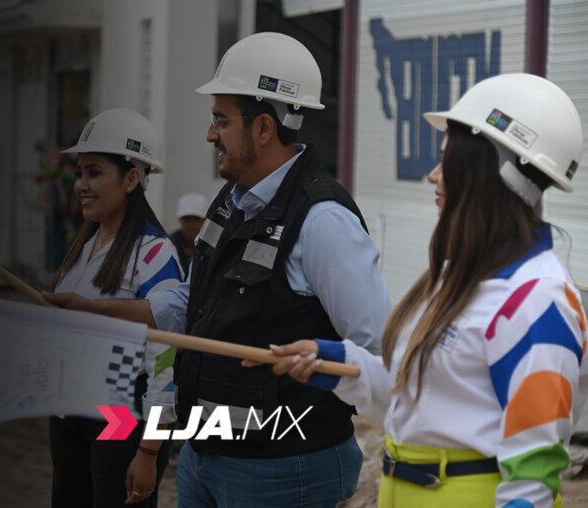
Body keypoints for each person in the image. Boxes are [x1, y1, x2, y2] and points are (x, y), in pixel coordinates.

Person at [44, 32, 391, 507]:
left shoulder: (322, 220)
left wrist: (315, 363)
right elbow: (189, 302)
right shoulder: (228, 203)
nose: (210, 135)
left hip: (284, 468)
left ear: (264, 128)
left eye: (220, 120)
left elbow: (372, 351)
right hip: (204, 458)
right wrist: (96, 310)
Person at [259, 73, 588, 507]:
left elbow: (534, 468)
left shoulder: (538, 299)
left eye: (446, 161)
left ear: (489, 172)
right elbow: (416, 395)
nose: (433, 176)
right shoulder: (458, 273)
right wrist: (331, 359)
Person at [47, 108, 183, 508]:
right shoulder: (84, 247)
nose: (81, 185)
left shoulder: (156, 254)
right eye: (79, 173)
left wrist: (149, 451)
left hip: (119, 419)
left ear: (130, 179)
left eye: (94, 172)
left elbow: (166, 359)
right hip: (67, 415)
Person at [169, 193, 207, 277]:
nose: (191, 225)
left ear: (204, 221)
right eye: (186, 219)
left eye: (196, 219)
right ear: (180, 220)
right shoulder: (170, 244)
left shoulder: (212, 245)